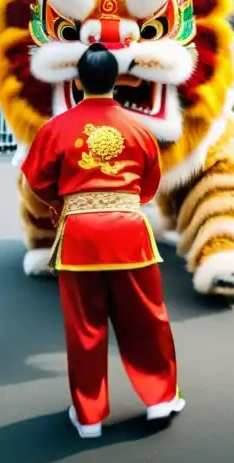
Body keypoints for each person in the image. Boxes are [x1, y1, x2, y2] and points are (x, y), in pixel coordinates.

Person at [21, 43, 183, 439]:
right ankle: (160, 397)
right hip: (130, 232)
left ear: (77, 82)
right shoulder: (138, 127)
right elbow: (149, 185)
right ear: (117, 81)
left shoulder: (56, 127)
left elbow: (36, 180)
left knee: (85, 327)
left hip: (79, 234)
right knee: (146, 317)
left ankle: (89, 416)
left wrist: (69, 202)